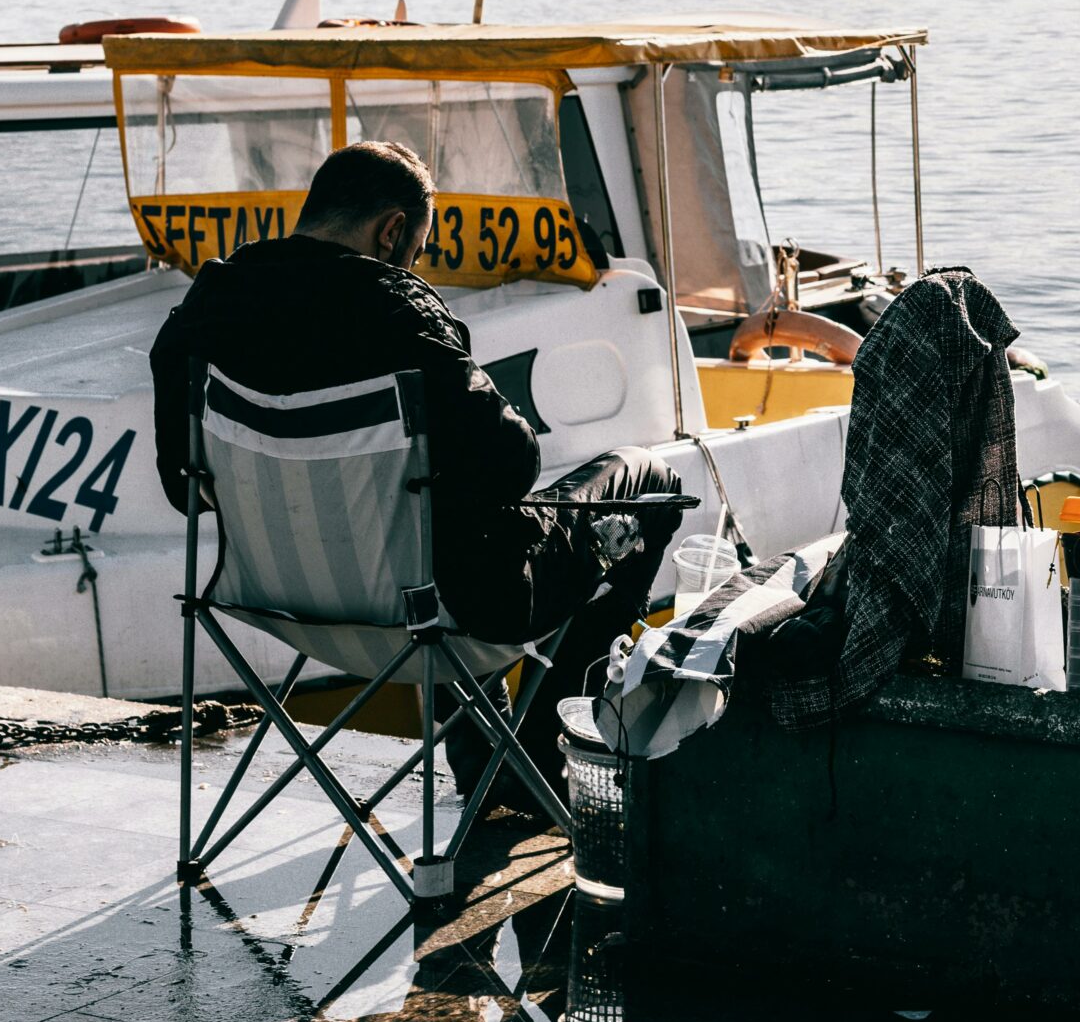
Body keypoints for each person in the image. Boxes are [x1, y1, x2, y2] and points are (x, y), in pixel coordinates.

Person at [149, 140, 683, 795]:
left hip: (275, 599)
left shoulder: (207, 307)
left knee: (442, 517)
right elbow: (515, 463)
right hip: (437, 609)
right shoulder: (400, 311)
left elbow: (185, 486)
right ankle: (543, 749)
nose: (416, 263)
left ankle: (492, 763)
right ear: (393, 230)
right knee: (649, 483)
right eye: (418, 249)